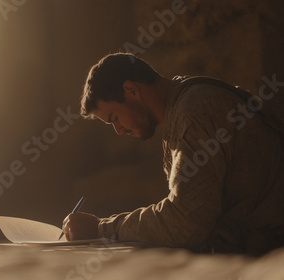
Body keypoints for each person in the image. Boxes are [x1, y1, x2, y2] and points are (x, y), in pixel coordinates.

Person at [62, 52, 284, 255]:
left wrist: (102, 229)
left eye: (114, 118)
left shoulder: (196, 110)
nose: (118, 130)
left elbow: (185, 223)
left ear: (131, 90)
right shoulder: (183, 106)